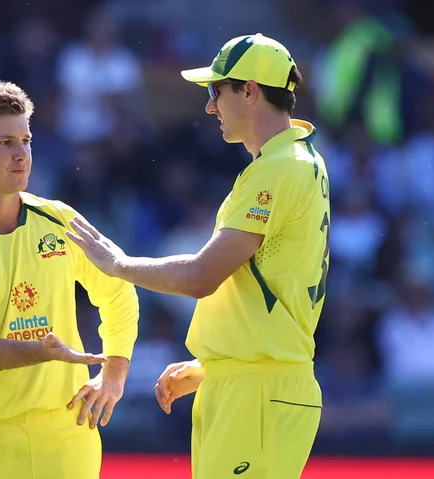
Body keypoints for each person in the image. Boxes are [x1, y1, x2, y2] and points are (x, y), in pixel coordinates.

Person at [66, 33, 330, 479]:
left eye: (216, 91)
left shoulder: (279, 169)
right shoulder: (294, 161)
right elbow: (269, 289)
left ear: (249, 90)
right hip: (252, 384)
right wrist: (215, 367)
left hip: (258, 393)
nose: (209, 107)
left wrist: (118, 264)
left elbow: (201, 276)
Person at [0, 81, 139, 479]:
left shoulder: (60, 220)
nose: (22, 155)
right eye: (5, 143)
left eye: (26, 139)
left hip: (70, 434)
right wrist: (40, 351)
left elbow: (118, 288)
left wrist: (115, 371)